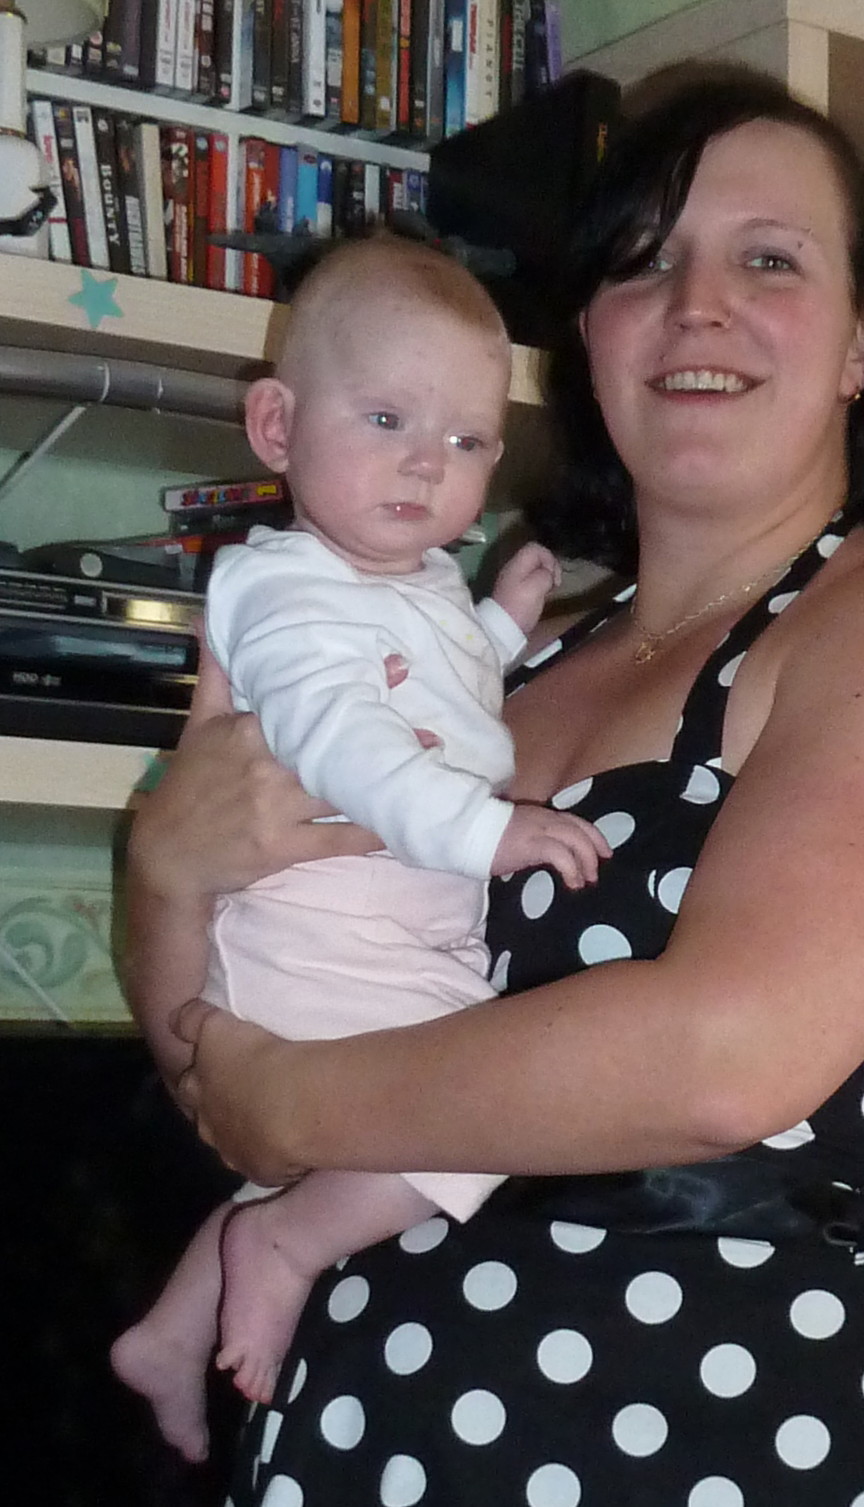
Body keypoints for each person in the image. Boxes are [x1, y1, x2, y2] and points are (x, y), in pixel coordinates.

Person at [122, 63, 864, 1506]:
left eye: (768, 260)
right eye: (642, 263)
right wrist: (163, 874)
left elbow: (719, 1055)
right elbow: (229, 1038)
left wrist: (297, 1107)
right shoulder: (475, 663)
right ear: (587, 337)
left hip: (752, 1431)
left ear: (859, 344)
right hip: (377, 1424)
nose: (696, 305)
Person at [110, 232, 607, 1465]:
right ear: (276, 428)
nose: (425, 463)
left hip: (373, 930)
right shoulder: (286, 593)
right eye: (386, 419)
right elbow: (348, 744)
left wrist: (498, 626)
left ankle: (175, 1326)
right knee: (473, 1115)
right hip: (323, 928)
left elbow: (434, 686)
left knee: (346, 1141)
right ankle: (282, 1249)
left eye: (467, 441)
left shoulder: (403, 579)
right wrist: (490, 831)